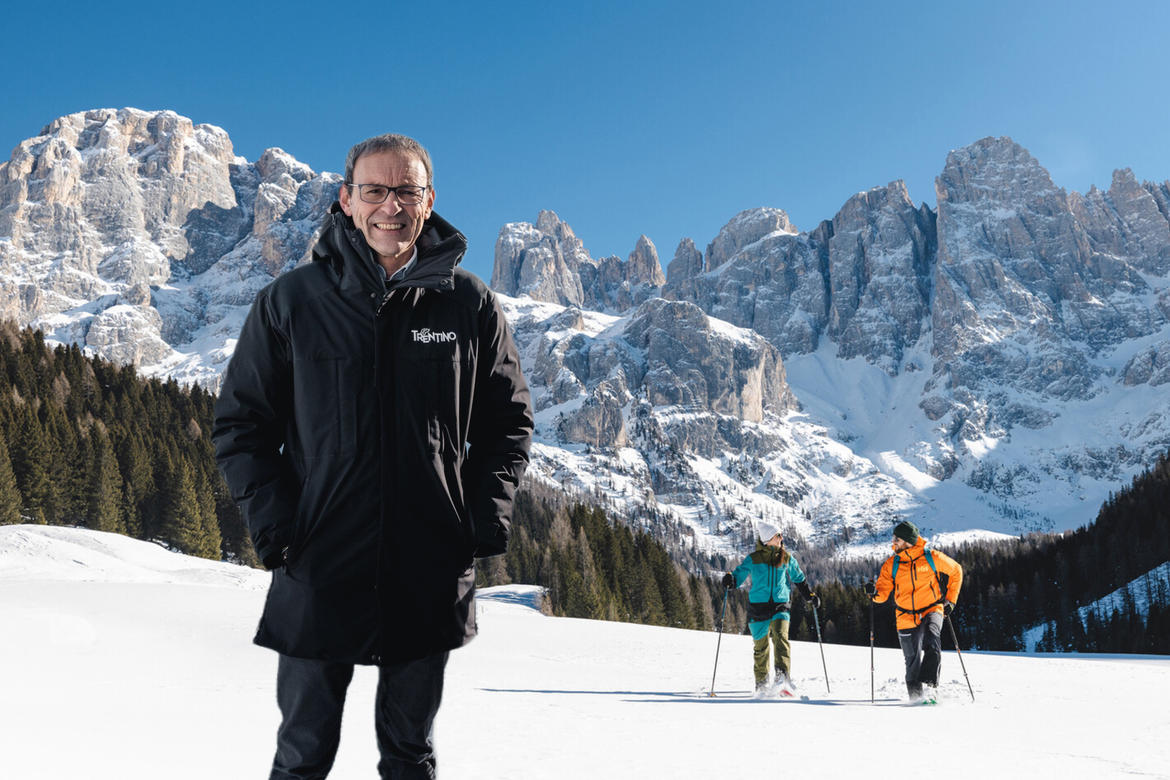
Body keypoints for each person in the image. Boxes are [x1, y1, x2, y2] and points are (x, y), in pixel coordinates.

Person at [212, 133, 534, 779]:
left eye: (406, 191)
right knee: (302, 754)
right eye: (376, 190)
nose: (392, 206)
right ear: (347, 200)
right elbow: (242, 426)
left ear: (429, 200)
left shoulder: (467, 303)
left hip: (427, 566)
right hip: (318, 562)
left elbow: (507, 423)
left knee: (410, 754)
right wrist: (280, 531)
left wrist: (478, 523)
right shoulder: (292, 301)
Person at [864, 520, 963, 704]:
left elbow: (956, 571)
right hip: (905, 615)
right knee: (912, 659)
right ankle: (916, 699)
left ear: (908, 541)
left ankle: (931, 689)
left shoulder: (932, 557)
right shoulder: (891, 565)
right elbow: (882, 594)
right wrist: (873, 593)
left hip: (932, 608)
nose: (893, 542)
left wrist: (950, 601)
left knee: (932, 641)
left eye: (897, 539)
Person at [721, 521, 818, 696]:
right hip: (758, 607)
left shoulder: (786, 557)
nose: (781, 538)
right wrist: (730, 580)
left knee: (781, 638)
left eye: (780, 535)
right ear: (767, 540)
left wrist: (809, 595)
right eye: (777, 535)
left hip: (780, 604)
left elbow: (798, 577)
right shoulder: (754, 559)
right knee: (761, 648)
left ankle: (782, 679)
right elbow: (738, 575)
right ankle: (762, 684)